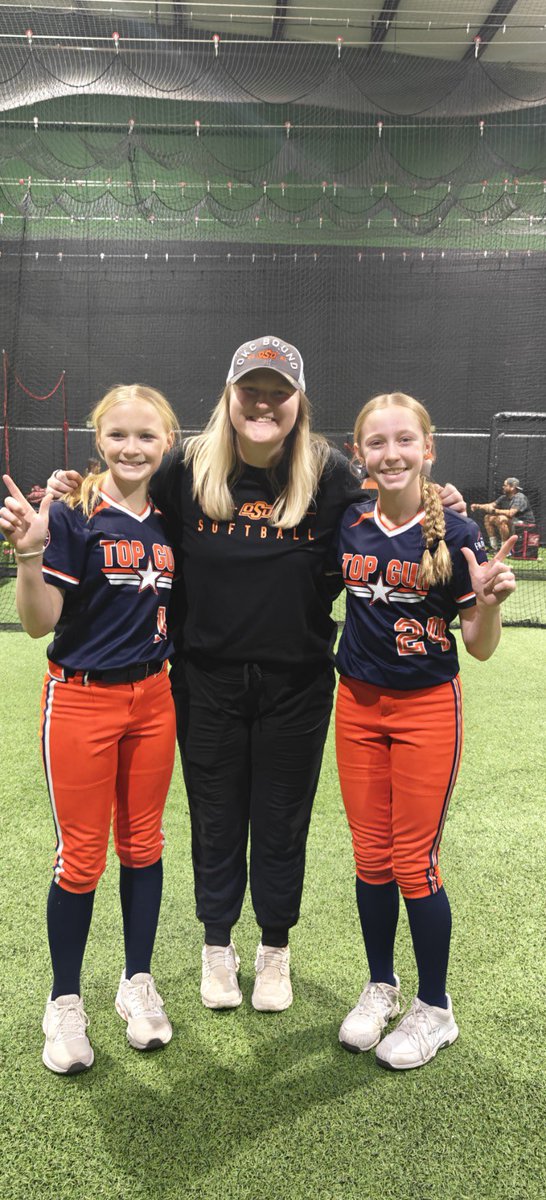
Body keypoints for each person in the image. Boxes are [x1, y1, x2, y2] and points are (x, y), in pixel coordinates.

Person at [46, 337, 465, 1015]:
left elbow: (394, 502)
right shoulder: (187, 467)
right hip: (203, 680)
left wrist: (441, 499)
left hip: (297, 686)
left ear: (299, 402)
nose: (264, 404)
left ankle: (274, 948)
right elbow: (126, 480)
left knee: (281, 822)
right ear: (230, 396)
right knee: (214, 819)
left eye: (279, 393)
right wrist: (77, 487)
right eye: (251, 391)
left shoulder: (329, 474)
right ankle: (217, 944)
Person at [0, 384, 179, 1074]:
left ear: (168, 443)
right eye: (118, 435)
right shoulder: (75, 513)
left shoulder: (172, 517)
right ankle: (64, 1001)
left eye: (146, 436)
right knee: (81, 858)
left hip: (154, 698)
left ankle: (136, 982)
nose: (131, 448)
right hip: (81, 701)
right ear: (97, 440)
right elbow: (39, 621)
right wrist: (28, 554)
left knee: (143, 845)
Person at [335, 391, 516, 1071]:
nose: (392, 454)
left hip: (426, 710)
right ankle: (381, 986)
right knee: (370, 858)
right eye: (377, 442)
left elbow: (480, 647)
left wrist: (489, 604)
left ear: (428, 449)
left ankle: (435, 1009)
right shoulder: (349, 519)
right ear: (359, 454)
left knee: (415, 862)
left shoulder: (458, 533)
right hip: (356, 706)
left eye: (404, 440)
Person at [471, 477, 535, 551]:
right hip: (513, 521)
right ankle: (494, 546)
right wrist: (477, 506)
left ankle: (505, 549)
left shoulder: (519, 497)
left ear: (512, 487)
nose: (503, 487)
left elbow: (511, 513)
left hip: (524, 523)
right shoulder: (504, 497)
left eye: (505, 485)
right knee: (488, 517)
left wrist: (494, 511)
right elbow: (491, 505)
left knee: (502, 518)